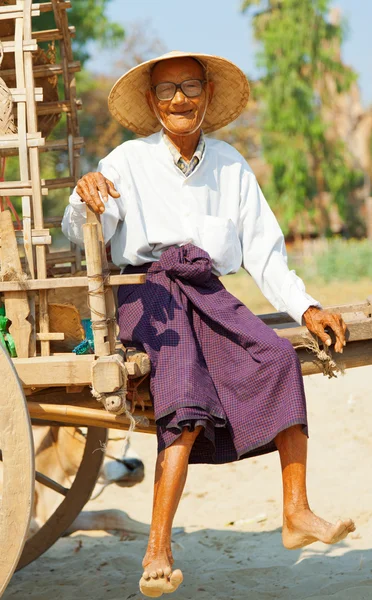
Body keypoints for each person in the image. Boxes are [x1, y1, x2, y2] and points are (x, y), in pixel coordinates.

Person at [62, 51, 354, 598]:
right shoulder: (126, 161)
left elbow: (265, 254)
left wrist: (307, 307)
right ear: (151, 102)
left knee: (276, 356)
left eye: (191, 87)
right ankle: (157, 548)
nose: (179, 99)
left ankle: (297, 511)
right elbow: (84, 226)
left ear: (208, 97)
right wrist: (87, 198)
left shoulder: (230, 165)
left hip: (209, 291)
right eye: (167, 90)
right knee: (184, 389)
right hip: (147, 293)